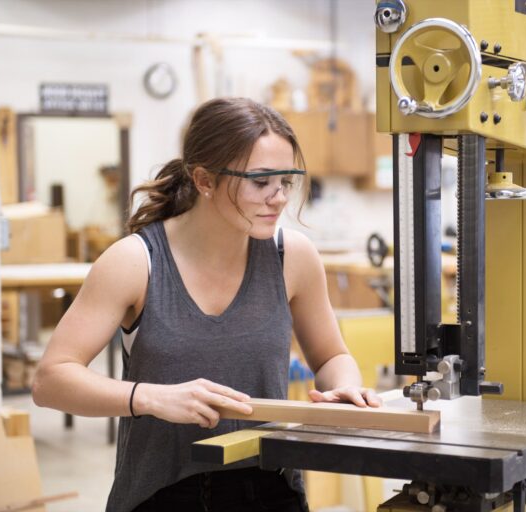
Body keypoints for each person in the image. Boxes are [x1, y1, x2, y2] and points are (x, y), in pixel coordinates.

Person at [32, 97, 382, 512]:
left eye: (286, 181)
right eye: (260, 181)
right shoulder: (135, 262)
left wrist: (343, 386)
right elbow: (50, 379)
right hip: (163, 495)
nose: (279, 198)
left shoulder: (293, 257)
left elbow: (330, 356)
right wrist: (148, 397)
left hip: (270, 490)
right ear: (204, 180)